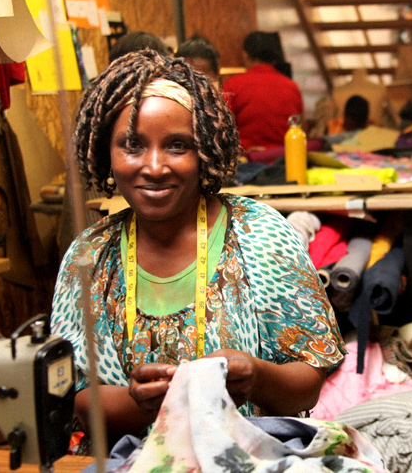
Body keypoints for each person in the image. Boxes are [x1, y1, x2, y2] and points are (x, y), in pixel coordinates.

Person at [51, 49, 345, 450]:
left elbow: (308, 385)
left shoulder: (260, 237)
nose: (154, 167)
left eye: (177, 146)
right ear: (107, 152)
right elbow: (78, 399)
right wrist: (142, 404)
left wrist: (257, 376)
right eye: (132, 145)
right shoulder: (88, 259)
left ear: (205, 151)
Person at [222, 31, 303, 152]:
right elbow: (299, 128)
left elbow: (223, 130)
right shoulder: (292, 87)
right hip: (284, 159)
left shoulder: (232, 85)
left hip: (247, 160)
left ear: (245, 55)